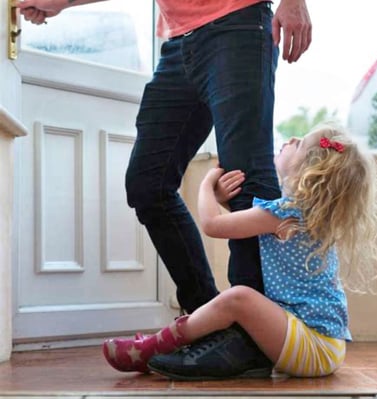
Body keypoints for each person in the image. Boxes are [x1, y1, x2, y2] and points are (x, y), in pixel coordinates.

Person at [19, 0, 312, 379]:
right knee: (147, 184)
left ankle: (249, 339)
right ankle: (211, 320)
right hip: (178, 45)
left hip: (236, 25)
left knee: (245, 179)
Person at [102, 123, 377, 379]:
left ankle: (152, 347)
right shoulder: (300, 216)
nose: (292, 138)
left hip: (313, 346)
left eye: (299, 144)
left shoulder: (287, 213)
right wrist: (226, 204)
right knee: (239, 299)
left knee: (239, 298)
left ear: (308, 171)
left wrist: (207, 188)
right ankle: (161, 344)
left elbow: (213, 225)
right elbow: (249, 228)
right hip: (323, 346)